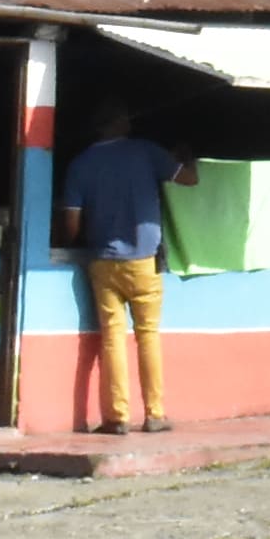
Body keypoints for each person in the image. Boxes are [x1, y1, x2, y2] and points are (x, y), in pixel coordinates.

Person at [52, 98, 199, 434]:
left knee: (111, 338)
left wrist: (73, 241)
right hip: (144, 263)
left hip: (103, 263)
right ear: (121, 123)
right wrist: (185, 157)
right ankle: (155, 414)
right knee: (148, 336)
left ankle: (116, 418)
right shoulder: (147, 152)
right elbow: (189, 179)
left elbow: (71, 223)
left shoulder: (80, 165)